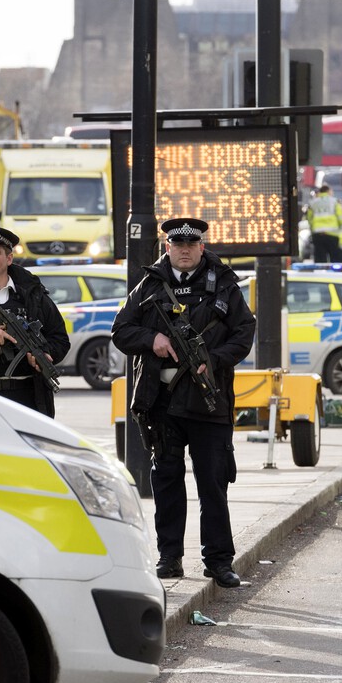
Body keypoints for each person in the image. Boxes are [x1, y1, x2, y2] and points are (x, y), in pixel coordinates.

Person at [111, 217, 256, 588]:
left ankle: (219, 561)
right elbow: (121, 331)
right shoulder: (150, 286)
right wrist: (153, 339)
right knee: (167, 484)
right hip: (163, 403)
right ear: (168, 248)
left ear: (202, 248)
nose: (186, 250)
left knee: (213, 484)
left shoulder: (224, 284)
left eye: (192, 244)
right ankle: (169, 557)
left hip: (209, 402)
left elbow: (244, 332)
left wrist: (215, 358)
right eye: (178, 245)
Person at [0, 224, 69, 417]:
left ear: (9, 258)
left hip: (28, 396)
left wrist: (44, 354)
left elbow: (60, 339)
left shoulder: (33, 294)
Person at [307, 182, 342, 262]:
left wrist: (314, 228)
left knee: (320, 260)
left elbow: (309, 219)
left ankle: (320, 274)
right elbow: (341, 219)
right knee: (335, 260)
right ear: (328, 191)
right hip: (332, 234)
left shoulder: (313, 203)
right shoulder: (335, 202)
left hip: (318, 234)